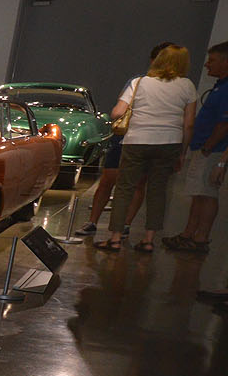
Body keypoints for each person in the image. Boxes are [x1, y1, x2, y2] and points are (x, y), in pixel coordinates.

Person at [95, 44, 196, 252]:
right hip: (169, 142)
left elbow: (117, 113)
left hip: (137, 140)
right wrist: (183, 152)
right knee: (158, 191)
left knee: (124, 189)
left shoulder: (139, 83)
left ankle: (114, 238)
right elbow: (188, 124)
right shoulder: (187, 86)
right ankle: (149, 240)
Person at [76, 41, 176, 237]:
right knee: (113, 181)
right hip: (139, 138)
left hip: (138, 138)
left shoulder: (147, 83)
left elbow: (117, 111)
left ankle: (120, 227)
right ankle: (100, 223)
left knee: (131, 183)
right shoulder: (144, 82)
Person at [163, 41, 228, 253]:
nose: (207, 65)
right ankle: (188, 234)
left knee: (207, 194)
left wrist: (209, 147)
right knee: (198, 193)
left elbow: (224, 123)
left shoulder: (226, 89)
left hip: (211, 150)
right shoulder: (220, 86)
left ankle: (200, 238)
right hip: (204, 147)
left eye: (213, 60)